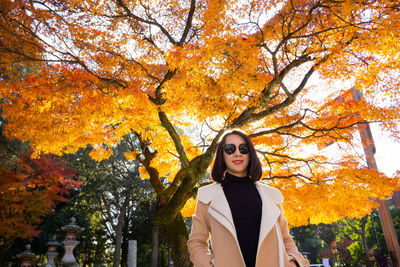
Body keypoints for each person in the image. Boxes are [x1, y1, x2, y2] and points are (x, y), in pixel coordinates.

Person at [187, 130, 310, 267]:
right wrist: (210, 264)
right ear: (222, 156)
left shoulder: (271, 196)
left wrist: (293, 262)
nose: (237, 153)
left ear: (250, 154)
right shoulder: (207, 197)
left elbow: (286, 239)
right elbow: (196, 241)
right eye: (230, 149)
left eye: (243, 148)